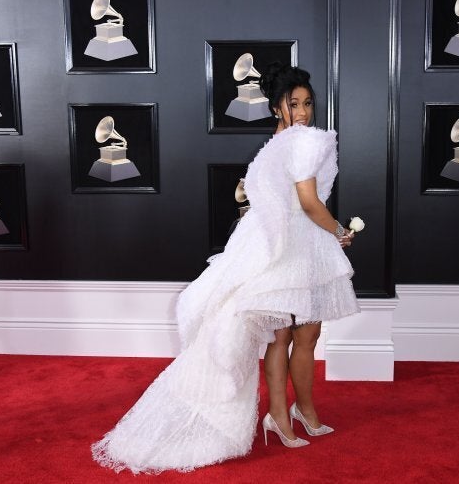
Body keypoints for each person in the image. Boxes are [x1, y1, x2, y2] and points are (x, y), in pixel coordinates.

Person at [91, 63, 359, 474]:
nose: (303, 112)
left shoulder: (274, 147)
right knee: (283, 334)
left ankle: (301, 411)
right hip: (283, 244)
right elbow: (307, 201)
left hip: (298, 243)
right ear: (275, 108)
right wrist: (340, 230)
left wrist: (325, 232)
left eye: (308, 104)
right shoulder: (299, 144)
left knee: (305, 333)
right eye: (293, 104)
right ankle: (281, 417)